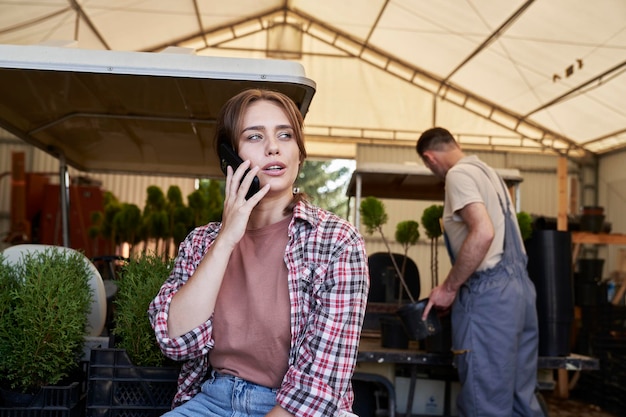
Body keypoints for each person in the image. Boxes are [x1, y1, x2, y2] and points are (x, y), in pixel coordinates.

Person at [148, 88, 369, 417]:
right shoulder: (201, 242)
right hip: (213, 401)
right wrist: (225, 240)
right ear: (230, 157)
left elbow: (320, 383)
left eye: (285, 135)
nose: (273, 147)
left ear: (299, 153)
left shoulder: (337, 241)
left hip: (298, 408)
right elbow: (174, 340)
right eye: (254, 136)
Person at [416, 127, 543, 417]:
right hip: (521, 294)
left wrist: (448, 288)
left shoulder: (458, 175)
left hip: (490, 297)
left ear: (430, 158)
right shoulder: (489, 173)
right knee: (521, 400)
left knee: (484, 403)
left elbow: (483, 232)